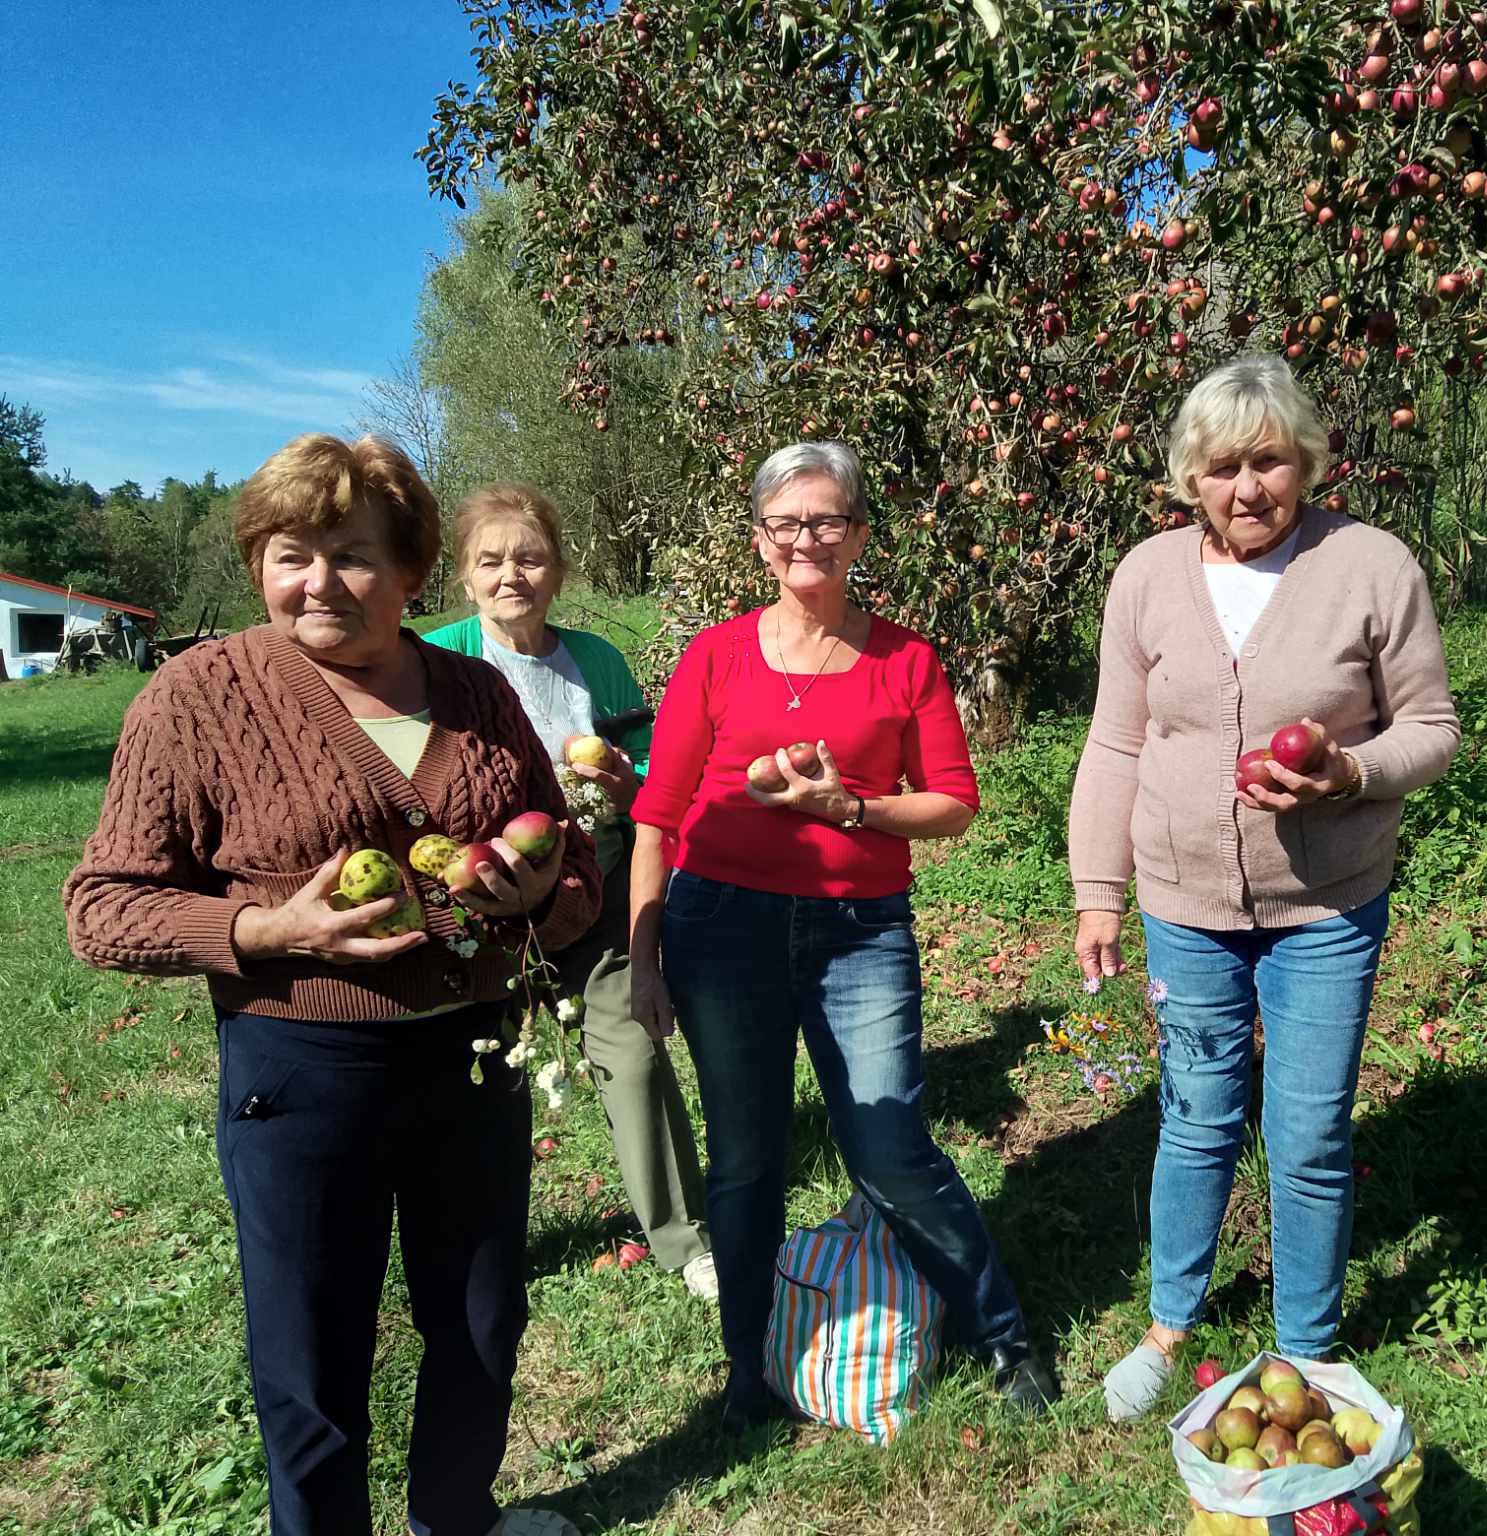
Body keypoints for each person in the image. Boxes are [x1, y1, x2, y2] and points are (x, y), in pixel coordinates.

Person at [64, 435, 600, 1536]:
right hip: (305, 1068)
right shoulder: (197, 696)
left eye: (350, 556)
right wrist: (267, 926)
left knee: (479, 1319)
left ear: (410, 572)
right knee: (311, 1350)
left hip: (473, 1053)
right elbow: (103, 905)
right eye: (287, 554)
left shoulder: (477, 693)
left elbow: (575, 868)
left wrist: (536, 897)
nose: (317, 583)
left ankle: (458, 1515)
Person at [628, 440, 1061, 1427]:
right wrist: (645, 957)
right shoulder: (715, 655)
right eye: (786, 523)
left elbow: (952, 804)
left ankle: (1002, 1340)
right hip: (719, 923)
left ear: (860, 533)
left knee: (889, 1148)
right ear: (759, 541)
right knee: (744, 1157)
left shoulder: (903, 658)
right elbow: (656, 813)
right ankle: (747, 1364)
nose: (806, 538)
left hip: (856, 932)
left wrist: (849, 808)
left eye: (826, 519)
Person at [1068, 354, 1462, 1420]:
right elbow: (1114, 742)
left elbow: (1431, 727)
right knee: (1196, 1118)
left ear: (1308, 462)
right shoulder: (1146, 576)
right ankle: (1168, 1322)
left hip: (1325, 905)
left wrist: (1352, 772)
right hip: (1184, 905)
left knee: (1310, 1127)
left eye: (1270, 461)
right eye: (1223, 466)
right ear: (1187, 478)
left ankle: (1310, 1344)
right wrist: (1096, 889)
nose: (1248, 488)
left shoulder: (1371, 564)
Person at [425, 483, 718, 1300]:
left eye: (529, 558)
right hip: (475, 902)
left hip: (596, 890)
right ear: (465, 576)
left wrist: (629, 783)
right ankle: (472, 1255)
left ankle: (686, 1242)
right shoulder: (435, 658)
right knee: (481, 1077)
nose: (511, 575)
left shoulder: (597, 661)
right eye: (491, 561)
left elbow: (660, 773)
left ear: (557, 572)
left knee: (631, 1056)